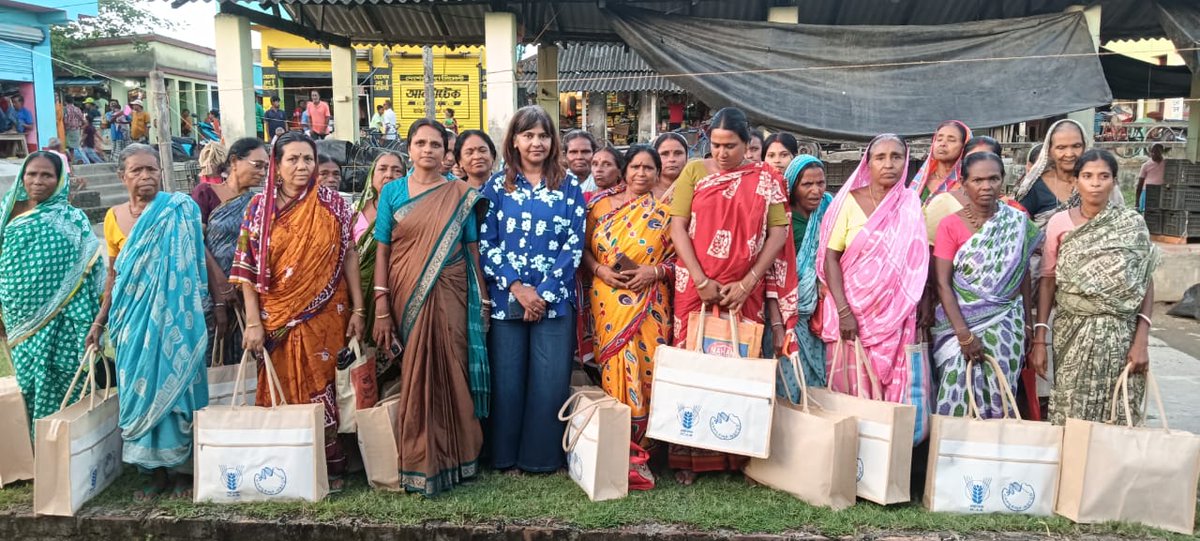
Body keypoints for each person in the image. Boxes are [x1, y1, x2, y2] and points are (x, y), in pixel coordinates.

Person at [231, 131, 366, 491]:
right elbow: (245, 268)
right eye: (293, 159)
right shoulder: (259, 208)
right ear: (277, 164)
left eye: (308, 159)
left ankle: (329, 465)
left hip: (328, 313)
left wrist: (360, 308)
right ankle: (281, 465)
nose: (302, 166)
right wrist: (254, 322)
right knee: (280, 388)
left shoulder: (335, 204)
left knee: (326, 388)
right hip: (275, 318)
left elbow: (349, 255)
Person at [667, 107, 793, 484]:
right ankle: (688, 456)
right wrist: (701, 278)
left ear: (747, 144)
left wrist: (749, 281)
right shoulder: (693, 172)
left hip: (744, 288)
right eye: (716, 145)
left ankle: (734, 456)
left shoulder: (766, 178)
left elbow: (778, 234)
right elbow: (678, 227)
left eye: (731, 146)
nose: (722, 153)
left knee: (738, 367)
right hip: (695, 286)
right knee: (693, 368)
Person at [371, 118, 487, 496]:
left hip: (452, 289)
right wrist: (381, 305)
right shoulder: (391, 193)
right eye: (420, 143)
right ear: (409, 149)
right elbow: (384, 251)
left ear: (445, 152)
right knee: (416, 371)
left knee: (452, 367)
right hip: (406, 292)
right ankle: (419, 460)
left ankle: (459, 458)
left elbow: (471, 248)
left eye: (436, 144)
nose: (428, 150)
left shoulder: (459, 192)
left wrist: (482, 297)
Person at [86, 144, 209, 499]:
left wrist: (215, 298)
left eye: (152, 169)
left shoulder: (179, 209)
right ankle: (152, 472)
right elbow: (113, 273)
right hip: (130, 323)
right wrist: (100, 321)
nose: (146, 177)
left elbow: (199, 258)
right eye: (137, 170)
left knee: (179, 389)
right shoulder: (113, 217)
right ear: (121, 176)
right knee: (138, 391)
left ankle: (183, 471)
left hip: (177, 321)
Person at [479, 105, 585, 475]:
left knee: (549, 379)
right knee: (506, 380)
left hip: (553, 303)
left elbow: (575, 244)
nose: (536, 142)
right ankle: (504, 457)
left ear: (554, 141)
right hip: (509, 299)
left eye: (543, 135)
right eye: (528, 135)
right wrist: (518, 287)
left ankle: (541, 459)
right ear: (514, 141)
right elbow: (486, 242)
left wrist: (544, 292)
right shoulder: (497, 186)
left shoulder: (569, 186)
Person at [1029, 149, 1157, 426]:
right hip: (1072, 331)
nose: (1096, 183)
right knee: (1070, 411)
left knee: (1119, 411)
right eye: (1087, 176)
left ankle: (1112, 470)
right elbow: (1048, 279)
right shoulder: (1059, 223)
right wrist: (1040, 339)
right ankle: (1073, 469)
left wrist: (1141, 340)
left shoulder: (1132, 224)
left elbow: (1145, 282)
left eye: (1103, 176)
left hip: (1122, 335)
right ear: (1076, 181)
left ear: (1114, 181)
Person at [817, 134, 927, 402]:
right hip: (850, 312)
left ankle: (887, 443)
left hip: (895, 315)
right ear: (868, 163)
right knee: (848, 396)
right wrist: (844, 312)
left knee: (889, 398)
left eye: (896, 157)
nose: (888, 164)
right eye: (880, 157)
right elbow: (830, 258)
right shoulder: (849, 202)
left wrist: (918, 302)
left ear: (906, 161)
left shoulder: (911, 204)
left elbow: (917, 263)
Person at [931, 152, 1040, 418]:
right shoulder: (950, 225)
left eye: (993, 178)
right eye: (978, 180)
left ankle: (994, 456)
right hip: (959, 328)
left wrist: (1027, 321)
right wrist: (964, 335)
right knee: (957, 392)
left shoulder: (1017, 223)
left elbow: (1022, 272)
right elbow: (942, 284)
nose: (986, 186)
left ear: (1003, 180)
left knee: (1002, 394)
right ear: (964, 183)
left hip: (1007, 325)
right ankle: (953, 458)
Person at [0, 152, 102, 428]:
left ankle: (70, 441)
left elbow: (92, 264)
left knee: (66, 374)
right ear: (22, 176)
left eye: (47, 175)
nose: (38, 181)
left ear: (59, 181)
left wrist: (99, 315)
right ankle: (36, 445)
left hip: (66, 316)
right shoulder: (6, 213)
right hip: (18, 318)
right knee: (28, 381)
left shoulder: (72, 219)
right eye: (32, 174)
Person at [582, 145, 675, 447]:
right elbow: (582, 250)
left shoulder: (667, 214)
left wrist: (655, 272)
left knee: (651, 367)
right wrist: (599, 270)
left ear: (657, 174)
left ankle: (647, 446)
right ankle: (615, 442)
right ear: (624, 170)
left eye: (649, 168)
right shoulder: (599, 207)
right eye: (635, 167)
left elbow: (680, 261)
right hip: (608, 299)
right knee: (612, 365)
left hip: (650, 300)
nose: (641, 173)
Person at [191, 138, 268, 367]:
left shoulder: (258, 202)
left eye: (266, 167)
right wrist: (220, 287)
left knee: (248, 357)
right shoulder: (206, 193)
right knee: (214, 354)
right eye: (257, 165)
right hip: (212, 292)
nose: (263, 172)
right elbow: (196, 241)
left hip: (248, 295)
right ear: (234, 161)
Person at [779, 155, 833, 395]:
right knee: (788, 377)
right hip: (786, 311)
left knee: (815, 375)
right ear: (792, 186)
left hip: (818, 308)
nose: (816, 190)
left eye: (820, 183)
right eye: (807, 184)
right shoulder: (782, 218)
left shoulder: (829, 211)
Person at [353, 151, 406, 334]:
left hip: (396, 292)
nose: (389, 175)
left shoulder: (408, 212)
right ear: (372, 175)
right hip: (356, 295)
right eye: (382, 169)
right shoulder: (354, 211)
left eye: (397, 170)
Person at [911, 121, 971, 200]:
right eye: (939, 139)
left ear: (964, 146)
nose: (942, 144)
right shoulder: (920, 181)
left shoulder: (967, 183)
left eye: (951, 140)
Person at [653, 132, 688, 202]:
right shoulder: (643, 188)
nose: (671, 159)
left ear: (687, 157)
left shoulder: (696, 189)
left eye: (678, 153)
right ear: (654, 158)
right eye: (665, 154)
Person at [1136, 143, 1165, 211]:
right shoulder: (1146, 165)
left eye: (1157, 151)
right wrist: (1137, 202)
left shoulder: (1166, 164)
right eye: (1152, 151)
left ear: (1161, 152)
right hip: (1147, 192)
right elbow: (1140, 183)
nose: (1154, 153)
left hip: (1161, 192)